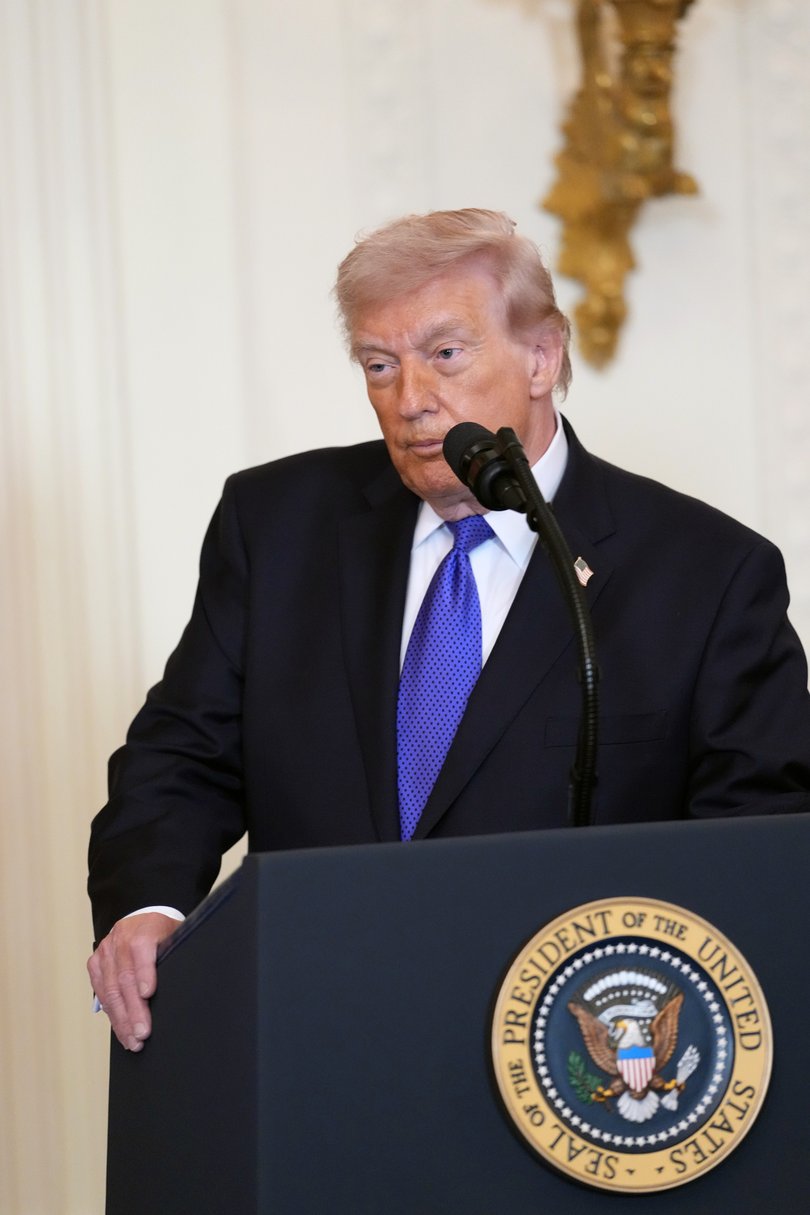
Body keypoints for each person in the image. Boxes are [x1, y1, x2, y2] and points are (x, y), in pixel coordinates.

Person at [87, 208, 810, 1053]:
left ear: (541, 357)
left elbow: (762, 837)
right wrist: (150, 905)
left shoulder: (707, 572)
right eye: (379, 364)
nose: (411, 400)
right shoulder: (277, 524)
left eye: (445, 354)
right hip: (314, 1033)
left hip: (570, 1062)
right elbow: (183, 752)